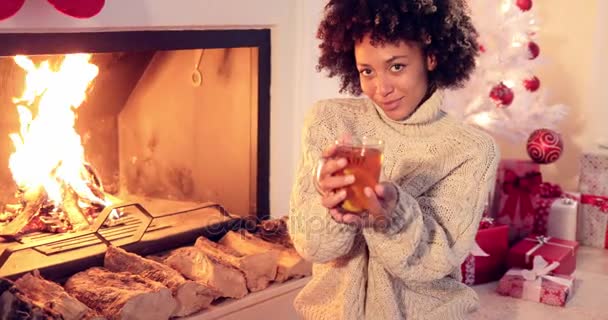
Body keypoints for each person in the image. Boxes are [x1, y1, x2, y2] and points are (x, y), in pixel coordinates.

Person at [288, 1, 500, 319]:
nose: (381, 88)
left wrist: (392, 215)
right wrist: (330, 208)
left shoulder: (472, 149)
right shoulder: (330, 121)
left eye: (396, 66)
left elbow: (434, 261)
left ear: (431, 57)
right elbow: (312, 248)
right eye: (367, 71)